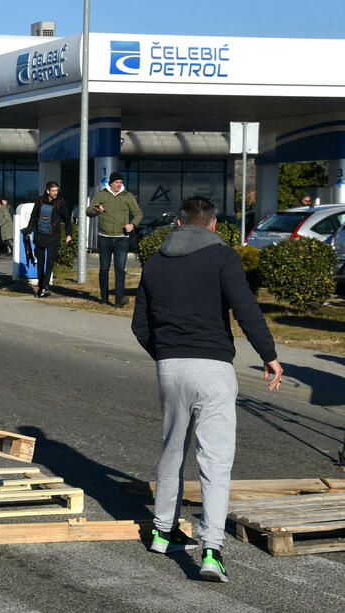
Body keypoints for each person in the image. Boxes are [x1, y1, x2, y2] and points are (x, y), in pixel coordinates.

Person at [131, 196, 283, 584]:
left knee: (172, 450)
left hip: (170, 367)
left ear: (180, 224)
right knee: (214, 461)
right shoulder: (224, 257)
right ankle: (211, 551)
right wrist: (269, 355)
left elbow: (140, 324)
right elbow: (246, 307)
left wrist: (165, 355)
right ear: (213, 225)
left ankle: (162, 532)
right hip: (213, 368)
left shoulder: (156, 261)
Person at [86, 172, 142, 306]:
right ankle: (104, 299)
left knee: (120, 269)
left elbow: (138, 213)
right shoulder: (101, 195)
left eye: (121, 183)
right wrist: (97, 210)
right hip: (104, 238)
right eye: (117, 182)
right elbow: (89, 211)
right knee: (104, 269)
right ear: (111, 183)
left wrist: (132, 224)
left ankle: (119, 299)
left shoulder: (127, 196)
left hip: (122, 238)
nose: (119, 185)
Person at [22, 181, 72, 298]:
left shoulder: (60, 202)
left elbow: (67, 218)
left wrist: (69, 234)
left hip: (54, 237)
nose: (55, 193)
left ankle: (44, 287)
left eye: (57, 190)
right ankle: (41, 287)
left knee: (50, 262)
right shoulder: (39, 200)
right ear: (48, 191)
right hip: (39, 235)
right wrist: (29, 230)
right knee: (40, 262)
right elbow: (33, 216)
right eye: (53, 191)